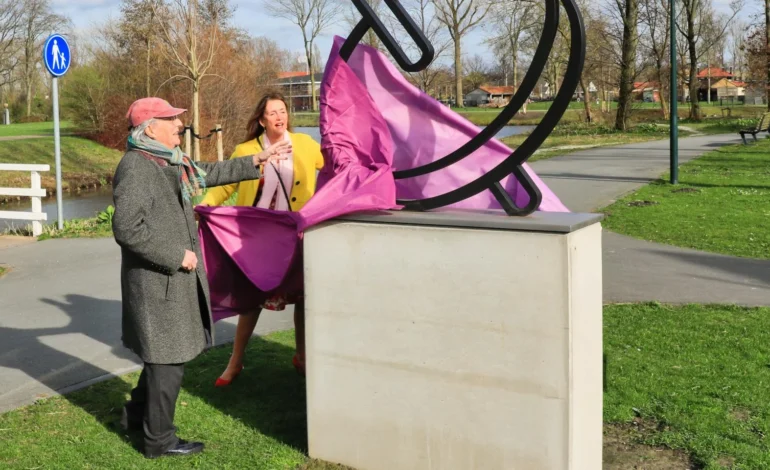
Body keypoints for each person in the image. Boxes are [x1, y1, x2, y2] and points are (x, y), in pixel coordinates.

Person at [112, 97, 290, 459]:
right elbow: (127, 229)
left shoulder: (165, 160)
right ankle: (158, 441)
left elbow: (207, 171)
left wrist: (257, 160)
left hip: (166, 282)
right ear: (151, 129)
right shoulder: (137, 167)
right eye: (172, 120)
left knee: (163, 357)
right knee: (167, 361)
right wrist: (176, 255)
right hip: (157, 282)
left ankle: (134, 415)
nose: (180, 125)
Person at [198, 91, 324, 385]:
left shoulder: (305, 144)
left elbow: (332, 164)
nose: (280, 117)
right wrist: (204, 205)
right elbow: (225, 185)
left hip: (294, 234)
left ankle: (302, 357)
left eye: (283, 111)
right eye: (273, 113)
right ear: (262, 119)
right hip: (256, 236)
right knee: (251, 300)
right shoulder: (246, 150)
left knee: (302, 297)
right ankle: (235, 363)